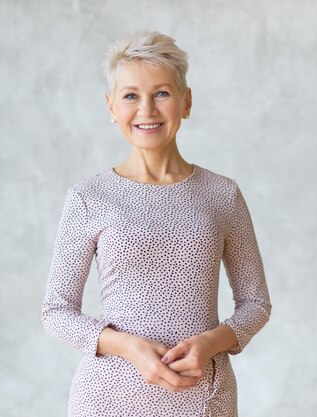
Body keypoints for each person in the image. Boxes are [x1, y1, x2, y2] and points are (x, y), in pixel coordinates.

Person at [40, 30, 272, 417]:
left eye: (161, 93)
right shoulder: (89, 198)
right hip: (108, 399)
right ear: (111, 106)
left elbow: (256, 304)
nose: (146, 109)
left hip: (202, 399)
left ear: (187, 101)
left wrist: (211, 343)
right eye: (131, 95)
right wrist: (129, 347)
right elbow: (56, 311)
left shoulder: (222, 194)